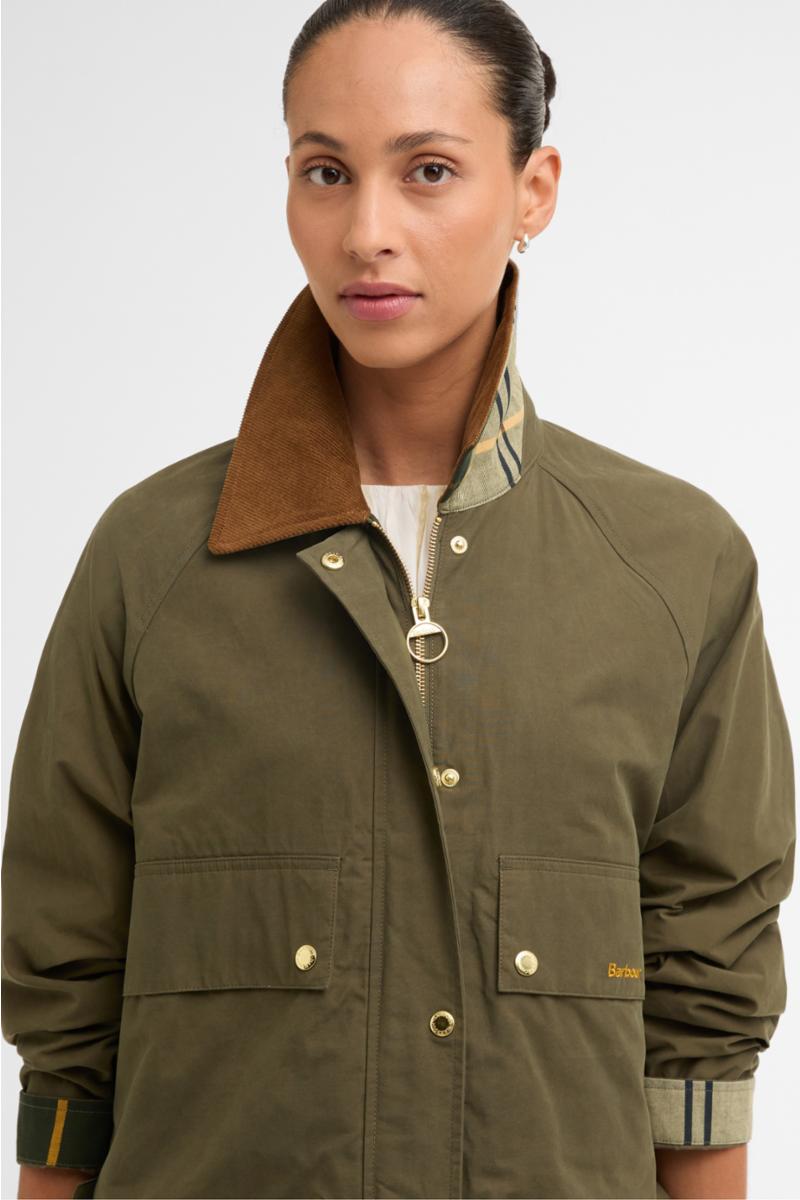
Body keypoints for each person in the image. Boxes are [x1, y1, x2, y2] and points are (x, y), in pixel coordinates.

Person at [2, 2, 794, 1198]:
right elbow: (66, 1005)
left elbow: (703, 1009)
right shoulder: (151, 560)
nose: (366, 231)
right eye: (325, 172)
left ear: (532, 190)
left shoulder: (675, 567)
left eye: (427, 170)